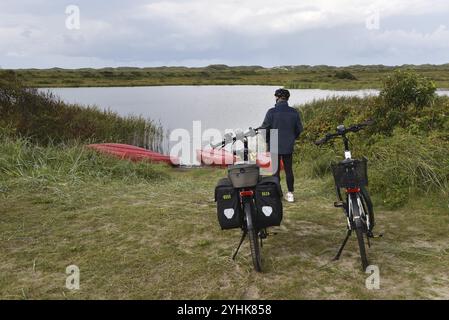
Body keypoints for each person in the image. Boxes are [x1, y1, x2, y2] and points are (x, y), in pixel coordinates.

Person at [261, 88, 303, 203]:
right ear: (287, 98)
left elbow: (264, 129)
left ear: (277, 98)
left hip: (274, 141)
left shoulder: (271, 112)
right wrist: (292, 137)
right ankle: (290, 194)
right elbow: (299, 129)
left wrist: (267, 141)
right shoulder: (294, 112)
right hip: (288, 143)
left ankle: (277, 193)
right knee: (289, 170)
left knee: (275, 171)